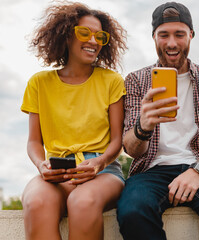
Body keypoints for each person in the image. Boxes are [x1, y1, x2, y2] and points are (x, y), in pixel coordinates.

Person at [116, 2, 199, 239]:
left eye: (179, 34)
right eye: (163, 35)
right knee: (133, 212)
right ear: (154, 37)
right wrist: (143, 127)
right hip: (150, 169)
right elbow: (130, 148)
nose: (172, 43)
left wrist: (196, 171)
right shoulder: (136, 80)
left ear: (191, 35)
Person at [20, 2, 127, 240]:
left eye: (100, 36)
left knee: (82, 201)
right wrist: (41, 165)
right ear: (66, 35)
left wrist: (99, 162)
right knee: (36, 201)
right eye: (84, 33)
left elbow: (117, 141)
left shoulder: (112, 81)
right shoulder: (39, 83)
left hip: (103, 172)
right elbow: (34, 142)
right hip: (57, 172)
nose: (93, 41)